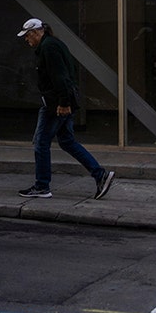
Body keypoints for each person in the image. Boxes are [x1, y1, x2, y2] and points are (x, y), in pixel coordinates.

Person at [16, 18, 115, 199]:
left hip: (56, 105)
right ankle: (100, 175)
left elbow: (60, 76)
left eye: (28, 35)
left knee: (41, 143)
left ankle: (42, 186)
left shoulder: (49, 48)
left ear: (38, 32)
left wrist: (63, 103)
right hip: (61, 101)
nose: (26, 39)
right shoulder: (53, 44)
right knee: (67, 142)